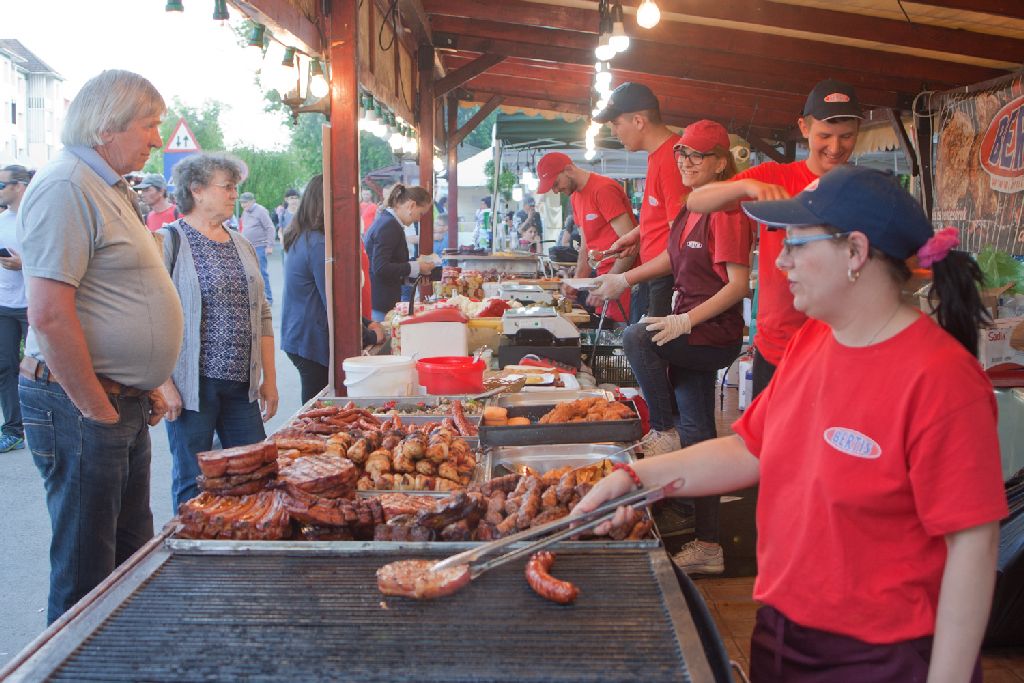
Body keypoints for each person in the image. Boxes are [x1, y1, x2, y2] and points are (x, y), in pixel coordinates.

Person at [576, 166, 1007, 682]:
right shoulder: (813, 342)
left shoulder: (941, 378)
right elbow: (750, 450)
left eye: (797, 244)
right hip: (783, 630)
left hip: (885, 655)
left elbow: (972, 546)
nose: (779, 262)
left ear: (855, 252)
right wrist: (635, 478)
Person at [17, 70, 182, 624]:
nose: (157, 139)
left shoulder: (107, 185)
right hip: (82, 405)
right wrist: (95, 405)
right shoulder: (66, 185)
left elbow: (122, 292)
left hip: (118, 400)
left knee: (129, 555)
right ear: (106, 127)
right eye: (149, 125)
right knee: (88, 569)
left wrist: (148, 380)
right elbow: (48, 313)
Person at [604, 121, 754, 574]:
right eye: (682, 155)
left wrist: (685, 319)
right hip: (687, 329)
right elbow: (673, 256)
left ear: (720, 163)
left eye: (697, 156)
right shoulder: (690, 207)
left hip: (712, 334)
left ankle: (662, 429)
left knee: (635, 336)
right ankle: (708, 544)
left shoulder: (726, 210)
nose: (686, 163)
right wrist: (625, 277)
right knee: (701, 437)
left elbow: (739, 285)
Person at [687, 78, 862, 398]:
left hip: (841, 350)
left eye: (846, 137)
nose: (835, 148)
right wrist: (745, 187)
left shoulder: (865, 190)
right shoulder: (774, 177)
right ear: (804, 128)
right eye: (825, 135)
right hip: (777, 350)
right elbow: (696, 202)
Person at [157, 152, 278, 510]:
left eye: (235, 188)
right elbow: (152, 316)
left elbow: (263, 313)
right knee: (194, 481)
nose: (234, 195)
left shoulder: (241, 243)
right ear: (196, 190)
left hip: (241, 386)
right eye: (227, 187)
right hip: (192, 386)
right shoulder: (169, 242)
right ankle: (191, 551)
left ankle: (249, 547)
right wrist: (164, 384)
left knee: (256, 474)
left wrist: (269, 378)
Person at [282, 175, 383, 403]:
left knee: (318, 404)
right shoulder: (318, 243)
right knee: (318, 410)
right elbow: (335, 303)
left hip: (303, 335)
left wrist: (366, 324)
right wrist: (370, 334)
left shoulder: (308, 236)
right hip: (311, 338)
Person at [593, 82, 687, 321]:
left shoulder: (672, 159)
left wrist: (623, 279)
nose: (614, 132)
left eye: (616, 124)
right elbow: (663, 218)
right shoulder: (657, 156)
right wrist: (637, 234)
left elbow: (682, 241)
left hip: (667, 279)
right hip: (654, 274)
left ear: (638, 121)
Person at [536, 151, 636, 323]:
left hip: (623, 280)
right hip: (603, 280)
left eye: (555, 183)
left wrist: (610, 282)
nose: (555, 190)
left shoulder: (603, 189)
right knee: (605, 336)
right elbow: (586, 246)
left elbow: (632, 244)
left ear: (568, 169)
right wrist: (576, 282)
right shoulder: (575, 198)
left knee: (620, 339)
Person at [365, 184, 435, 321]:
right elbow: (380, 267)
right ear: (411, 205)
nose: (419, 219)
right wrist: (416, 267)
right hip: (381, 303)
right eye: (420, 213)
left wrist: (415, 273)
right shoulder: (389, 225)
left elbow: (390, 265)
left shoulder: (387, 222)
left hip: (380, 300)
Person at [0, 164, 32, 453]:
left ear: (20, 186)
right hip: (3, 305)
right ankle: (12, 429)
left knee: (41, 369)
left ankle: (48, 426)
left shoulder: (35, 217)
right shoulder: (1, 221)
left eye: (2, 185)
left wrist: (25, 264)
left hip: (33, 304)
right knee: (4, 366)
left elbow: (55, 259)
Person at [239, 191, 276, 304]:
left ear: (252, 201)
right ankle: (256, 297)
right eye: (242, 203)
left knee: (261, 273)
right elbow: (243, 228)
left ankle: (268, 298)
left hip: (260, 246)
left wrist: (270, 245)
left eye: (245, 202)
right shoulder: (245, 212)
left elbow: (270, 228)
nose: (243, 205)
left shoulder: (261, 210)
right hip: (248, 247)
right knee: (250, 273)